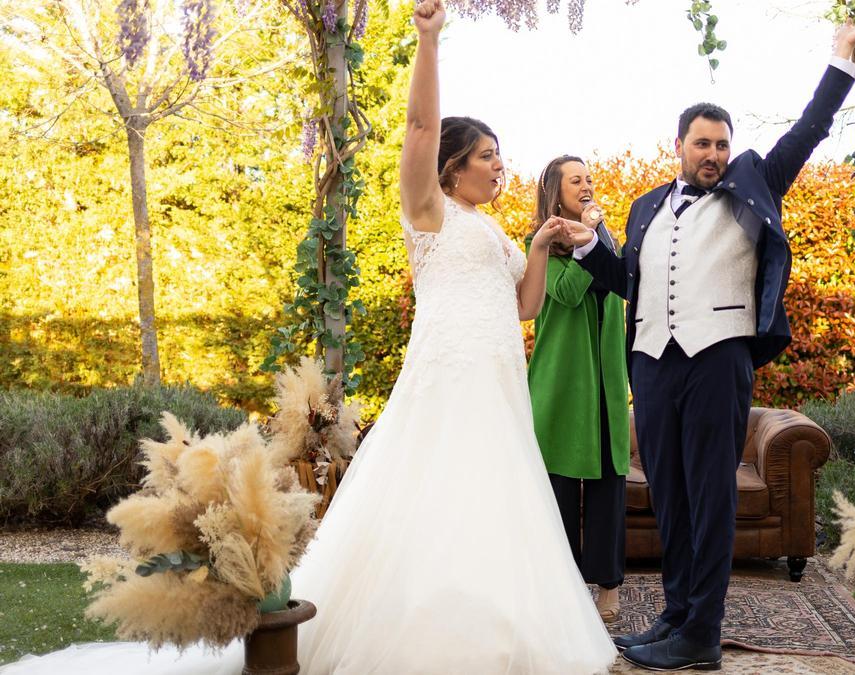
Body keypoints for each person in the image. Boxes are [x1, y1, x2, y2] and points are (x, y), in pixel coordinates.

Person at [0, 2, 616, 673]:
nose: (502, 167)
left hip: (500, 387)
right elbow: (417, 126)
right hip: (449, 380)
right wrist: (429, 41)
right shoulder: (428, 211)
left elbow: (525, 307)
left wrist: (536, 245)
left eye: (500, 156)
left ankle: (504, 631)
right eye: (488, 156)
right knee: (440, 499)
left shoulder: (494, 231)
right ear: (451, 166)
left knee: (496, 506)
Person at [557, 3, 855, 670]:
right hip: (651, 364)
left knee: (709, 496)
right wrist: (589, 249)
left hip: (717, 358)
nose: (713, 154)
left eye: (721, 144)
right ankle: (676, 615)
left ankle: (703, 632)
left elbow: (808, 131)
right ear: (679, 145)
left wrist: (842, 57)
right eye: (702, 143)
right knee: (672, 495)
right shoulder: (645, 205)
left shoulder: (751, 184)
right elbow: (629, 281)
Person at [527, 156, 630, 624]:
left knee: (609, 483)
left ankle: (608, 587)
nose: (587, 186)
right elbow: (567, 293)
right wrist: (588, 245)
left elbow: (625, 286)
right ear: (556, 191)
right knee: (562, 489)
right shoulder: (542, 247)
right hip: (562, 382)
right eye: (576, 180)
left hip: (606, 379)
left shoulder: (605, 238)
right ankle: (563, 588)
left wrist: (598, 239)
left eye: (589, 178)